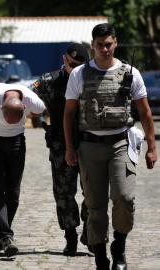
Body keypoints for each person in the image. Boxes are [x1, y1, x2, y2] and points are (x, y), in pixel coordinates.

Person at [64, 23, 157, 270]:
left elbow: (145, 112)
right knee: (95, 206)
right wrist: (69, 148)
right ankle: (100, 256)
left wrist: (151, 146)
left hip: (120, 143)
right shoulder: (79, 74)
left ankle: (120, 246)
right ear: (92, 45)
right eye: (99, 45)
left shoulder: (130, 73)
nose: (104, 49)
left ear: (115, 43)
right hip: (89, 146)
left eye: (109, 44)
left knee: (124, 198)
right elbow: (69, 114)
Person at [30, 42, 91, 256]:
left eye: (79, 65)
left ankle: (90, 231)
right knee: (64, 193)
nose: (74, 68)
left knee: (93, 192)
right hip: (59, 145)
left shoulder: (91, 79)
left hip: (88, 143)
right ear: (64, 59)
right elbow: (28, 97)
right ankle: (71, 237)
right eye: (71, 63)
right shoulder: (49, 81)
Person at [0, 83, 46, 256]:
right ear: (1, 108)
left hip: (15, 142)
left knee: (13, 194)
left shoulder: (32, 101)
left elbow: (40, 111)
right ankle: (6, 237)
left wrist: (28, 113)